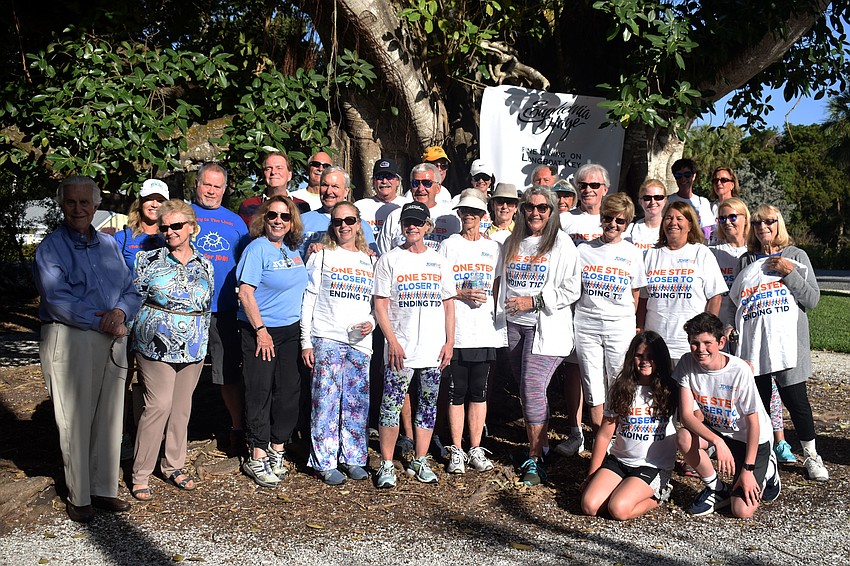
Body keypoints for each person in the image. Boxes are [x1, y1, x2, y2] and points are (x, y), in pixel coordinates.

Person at [34, 176, 142, 522]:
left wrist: (121, 313)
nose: (78, 209)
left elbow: (131, 288)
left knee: (110, 417)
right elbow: (56, 299)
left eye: (85, 203)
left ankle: (103, 488)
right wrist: (103, 321)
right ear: (62, 205)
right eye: (71, 202)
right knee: (75, 418)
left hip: (112, 335)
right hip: (71, 336)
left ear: (95, 206)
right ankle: (79, 495)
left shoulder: (109, 246)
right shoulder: (51, 247)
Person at [730, 204, 828, 481]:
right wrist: (729, 327)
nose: (763, 228)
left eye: (769, 222)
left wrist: (788, 272)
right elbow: (735, 301)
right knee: (757, 404)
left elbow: (812, 299)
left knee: (796, 401)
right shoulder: (746, 261)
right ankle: (765, 458)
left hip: (788, 344)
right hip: (756, 345)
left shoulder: (796, 256)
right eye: (758, 223)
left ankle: (811, 456)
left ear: (779, 223)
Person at [130, 199, 213, 502]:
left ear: (192, 227)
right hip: (154, 343)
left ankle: (173, 465)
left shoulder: (206, 264)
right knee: (159, 406)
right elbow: (131, 300)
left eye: (177, 225)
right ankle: (140, 473)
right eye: (164, 227)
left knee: (181, 409)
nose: (170, 232)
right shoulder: (147, 261)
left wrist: (203, 341)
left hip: (193, 346)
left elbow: (205, 306)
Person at [499, 186, 581, 485]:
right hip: (513, 325)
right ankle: (542, 447)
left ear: (552, 211)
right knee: (526, 389)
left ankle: (535, 459)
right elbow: (501, 284)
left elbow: (573, 288)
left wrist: (534, 301)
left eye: (542, 208)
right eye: (529, 207)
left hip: (545, 327)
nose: (535, 213)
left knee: (533, 388)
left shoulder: (562, 244)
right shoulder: (512, 242)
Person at [373, 202, 456, 488]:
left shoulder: (440, 261)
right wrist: (392, 341)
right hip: (401, 349)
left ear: (427, 226)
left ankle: (420, 460)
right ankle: (386, 464)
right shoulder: (390, 259)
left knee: (427, 406)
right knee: (390, 406)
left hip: (433, 349)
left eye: (417, 222)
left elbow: (448, 305)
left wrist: (450, 342)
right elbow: (380, 304)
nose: (412, 227)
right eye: (407, 222)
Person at [675, 313, 780, 518]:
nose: (700, 350)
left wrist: (748, 470)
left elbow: (754, 422)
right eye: (694, 343)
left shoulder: (739, 370)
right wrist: (717, 442)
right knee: (683, 436)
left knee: (741, 511)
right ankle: (716, 487)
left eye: (707, 343)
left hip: (752, 439)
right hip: (721, 433)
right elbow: (687, 416)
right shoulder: (687, 363)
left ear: (721, 342)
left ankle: (768, 468)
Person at [301, 202, 375, 485]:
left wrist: (373, 323)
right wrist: (305, 341)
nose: (344, 225)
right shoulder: (322, 256)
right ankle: (324, 460)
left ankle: (354, 457)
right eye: (338, 221)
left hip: (359, 341)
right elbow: (309, 298)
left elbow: (377, 304)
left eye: (350, 220)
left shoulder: (370, 260)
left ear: (359, 223)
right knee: (326, 401)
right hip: (327, 336)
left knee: (357, 403)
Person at [236, 196, 308, 487]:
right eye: (273, 216)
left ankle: (277, 449)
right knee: (260, 391)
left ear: (292, 223)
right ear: (263, 219)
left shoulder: (293, 250)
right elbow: (245, 292)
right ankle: (256, 454)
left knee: (289, 392)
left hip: (290, 330)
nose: (279, 221)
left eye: (285, 217)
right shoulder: (256, 249)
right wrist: (261, 330)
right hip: (261, 331)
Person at [438, 190, 504, 474]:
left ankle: (475, 448)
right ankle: (456, 449)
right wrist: (460, 292)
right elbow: (439, 286)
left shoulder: (493, 248)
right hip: (458, 330)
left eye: (474, 213)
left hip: (484, 331)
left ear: (482, 217)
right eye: (464, 212)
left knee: (479, 392)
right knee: (456, 391)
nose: (468, 217)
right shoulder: (449, 245)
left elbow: (498, 285)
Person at [580, 331, 677, 520]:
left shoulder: (672, 389)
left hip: (652, 466)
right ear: (632, 357)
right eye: (640, 355)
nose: (645, 361)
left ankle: (660, 496)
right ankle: (624, 487)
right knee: (589, 506)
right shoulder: (622, 388)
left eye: (651, 356)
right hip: (620, 461)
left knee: (618, 509)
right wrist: (592, 474)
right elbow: (604, 434)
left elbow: (695, 416)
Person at [573, 193, 646, 432]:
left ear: (627, 223)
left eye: (620, 220)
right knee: (592, 383)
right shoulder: (583, 250)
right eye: (608, 218)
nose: (613, 224)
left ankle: (620, 435)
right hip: (587, 325)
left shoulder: (633, 252)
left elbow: (635, 294)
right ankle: (599, 438)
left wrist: (628, 322)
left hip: (619, 326)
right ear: (601, 218)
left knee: (619, 380)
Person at [192, 163, 250, 456]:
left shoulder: (236, 222)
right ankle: (178, 427)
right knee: (181, 370)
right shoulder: (184, 215)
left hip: (223, 307)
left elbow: (245, 263)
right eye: (207, 185)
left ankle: (237, 427)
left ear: (225, 190)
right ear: (197, 184)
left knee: (227, 371)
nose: (211, 191)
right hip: (186, 309)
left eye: (217, 186)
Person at [554, 162, 610, 458]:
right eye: (583, 185)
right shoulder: (565, 220)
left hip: (605, 309)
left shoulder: (615, 219)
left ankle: (606, 431)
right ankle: (576, 431)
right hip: (572, 307)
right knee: (574, 369)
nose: (587, 190)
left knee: (608, 370)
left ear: (605, 189)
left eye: (594, 186)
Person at [639, 200, 727, 363]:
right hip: (655, 344)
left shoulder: (701, 253)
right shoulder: (649, 255)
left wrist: (706, 333)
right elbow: (642, 299)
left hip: (689, 345)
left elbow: (715, 296)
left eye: (679, 219)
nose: (673, 223)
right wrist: (640, 333)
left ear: (690, 225)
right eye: (668, 218)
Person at [378, 163, 461, 254]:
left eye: (427, 183)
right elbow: (382, 253)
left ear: (438, 188)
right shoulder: (395, 216)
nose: (420, 188)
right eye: (415, 183)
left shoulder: (452, 218)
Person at [299, 166, 377, 259]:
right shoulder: (301, 221)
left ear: (346, 191)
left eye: (335, 186)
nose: (329, 191)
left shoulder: (359, 225)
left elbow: (373, 259)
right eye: (325, 185)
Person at [239, 152, 308, 224]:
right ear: (263, 175)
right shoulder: (248, 206)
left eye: (279, 168)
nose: (273, 172)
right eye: (268, 169)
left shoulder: (302, 206)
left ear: (289, 175)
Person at [114, 179, 168, 271]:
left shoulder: (172, 236)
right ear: (140, 203)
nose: (154, 205)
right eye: (149, 199)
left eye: (160, 200)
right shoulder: (122, 238)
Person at [354, 158, 409, 239]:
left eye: (389, 177)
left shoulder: (407, 205)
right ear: (373, 182)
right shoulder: (359, 206)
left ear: (397, 181)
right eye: (380, 177)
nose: (384, 181)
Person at [668, 158, 714, 240]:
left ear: (694, 176)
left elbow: (706, 233)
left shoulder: (702, 202)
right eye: (678, 175)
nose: (683, 179)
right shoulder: (668, 201)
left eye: (687, 175)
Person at [624, 178, 667, 254]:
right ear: (640, 201)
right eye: (647, 198)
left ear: (665, 200)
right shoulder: (630, 228)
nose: (653, 202)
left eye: (658, 197)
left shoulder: (670, 228)